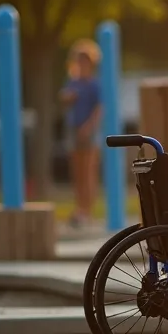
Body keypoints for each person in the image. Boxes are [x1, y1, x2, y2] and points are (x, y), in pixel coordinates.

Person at [58, 39, 102, 228]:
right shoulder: (72, 82)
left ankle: (88, 210)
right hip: (73, 129)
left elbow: (99, 109)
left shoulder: (94, 84)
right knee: (77, 173)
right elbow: (64, 99)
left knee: (88, 171)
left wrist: (89, 126)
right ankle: (79, 209)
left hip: (88, 131)